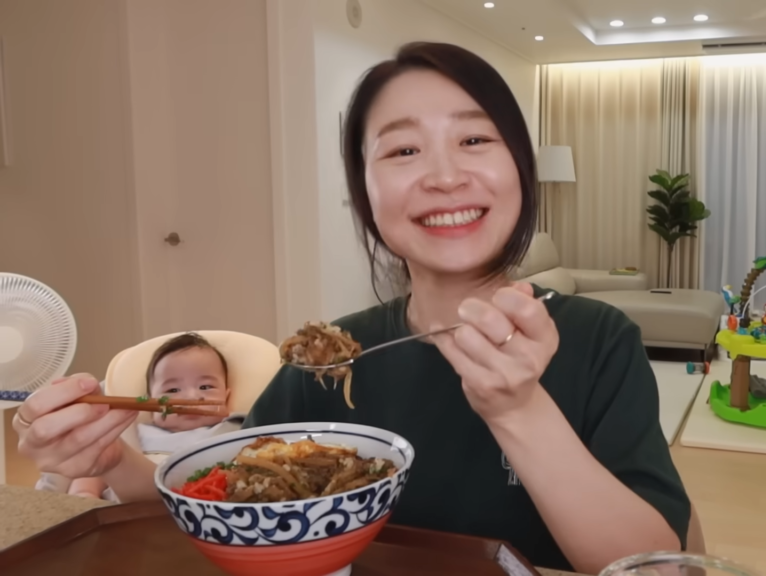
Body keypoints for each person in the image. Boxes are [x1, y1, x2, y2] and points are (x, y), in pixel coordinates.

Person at [14, 42, 691, 574]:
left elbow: (656, 569)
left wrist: (518, 408)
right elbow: (213, 498)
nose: (445, 175)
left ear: (520, 166)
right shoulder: (332, 354)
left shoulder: (599, 336)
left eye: (475, 140)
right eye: (402, 149)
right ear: (365, 194)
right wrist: (109, 461)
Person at [34, 333, 243, 500]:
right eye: (172, 390)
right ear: (152, 403)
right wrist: (85, 493)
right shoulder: (134, 433)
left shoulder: (231, 430)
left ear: (226, 396)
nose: (191, 396)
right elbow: (97, 468)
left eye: (205, 386)